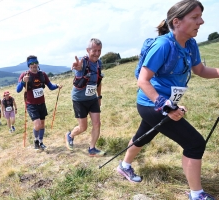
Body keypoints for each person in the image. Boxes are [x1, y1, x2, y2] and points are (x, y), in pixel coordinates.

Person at [116, 1, 217, 199]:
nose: (201, 21)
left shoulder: (190, 44)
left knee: (144, 135)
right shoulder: (162, 45)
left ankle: (124, 166)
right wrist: (165, 105)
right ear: (177, 22)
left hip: (164, 104)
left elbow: (200, 70)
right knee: (195, 143)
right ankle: (197, 194)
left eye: (201, 17)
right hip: (151, 103)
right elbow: (143, 80)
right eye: (195, 17)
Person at [65, 38, 105, 157]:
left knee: (97, 123)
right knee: (83, 127)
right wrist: (78, 68)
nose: (97, 53)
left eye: (99, 50)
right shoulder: (83, 62)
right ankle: (70, 135)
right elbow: (78, 70)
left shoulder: (99, 63)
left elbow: (98, 81)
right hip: (79, 99)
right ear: (88, 50)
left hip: (92, 98)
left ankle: (92, 149)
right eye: (94, 50)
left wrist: (99, 97)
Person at [16, 55, 63, 150]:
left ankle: (41, 142)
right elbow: (18, 90)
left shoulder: (42, 74)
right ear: (28, 66)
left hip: (41, 103)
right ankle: (36, 140)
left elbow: (50, 86)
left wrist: (57, 86)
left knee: (42, 124)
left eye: (35, 65)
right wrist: (22, 82)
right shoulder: (25, 75)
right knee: (37, 124)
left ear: (37, 64)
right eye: (31, 65)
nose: (33, 67)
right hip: (31, 104)